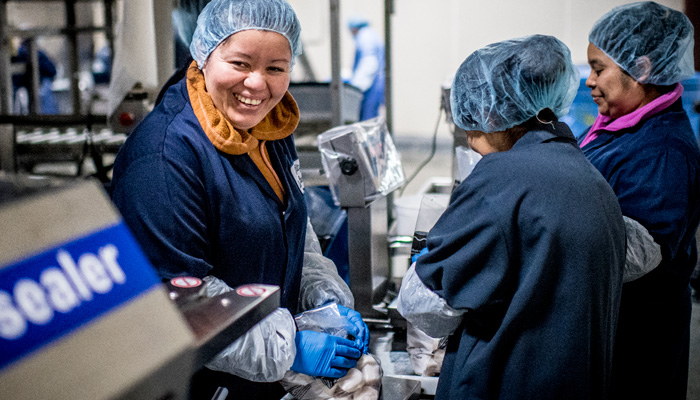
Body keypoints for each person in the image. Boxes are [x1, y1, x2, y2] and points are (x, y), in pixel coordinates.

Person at [109, 0, 369, 398]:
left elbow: (291, 226)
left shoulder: (269, 128)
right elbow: (177, 303)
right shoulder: (164, 159)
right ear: (204, 55)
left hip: (261, 377)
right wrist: (289, 348)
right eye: (241, 64)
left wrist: (324, 297)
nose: (257, 84)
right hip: (201, 383)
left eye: (276, 68)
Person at [396, 34, 626, 400]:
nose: (469, 133)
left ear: (490, 111)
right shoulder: (589, 177)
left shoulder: (501, 177)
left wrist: (424, 263)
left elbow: (425, 307)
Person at [580, 2, 700, 398]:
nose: (589, 81)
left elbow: (638, 252)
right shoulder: (620, 126)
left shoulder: (662, 151)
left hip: (638, 334)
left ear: (643, 69)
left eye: (599, 69)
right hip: (609, 320)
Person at [347, 16, 385, 121]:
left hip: (371, 85)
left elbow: (369, 63)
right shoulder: (370, 34)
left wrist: (356, 86)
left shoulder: (365, 36)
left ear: (354, 28)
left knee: (368, 120)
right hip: (374, 84)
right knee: (371, 119)